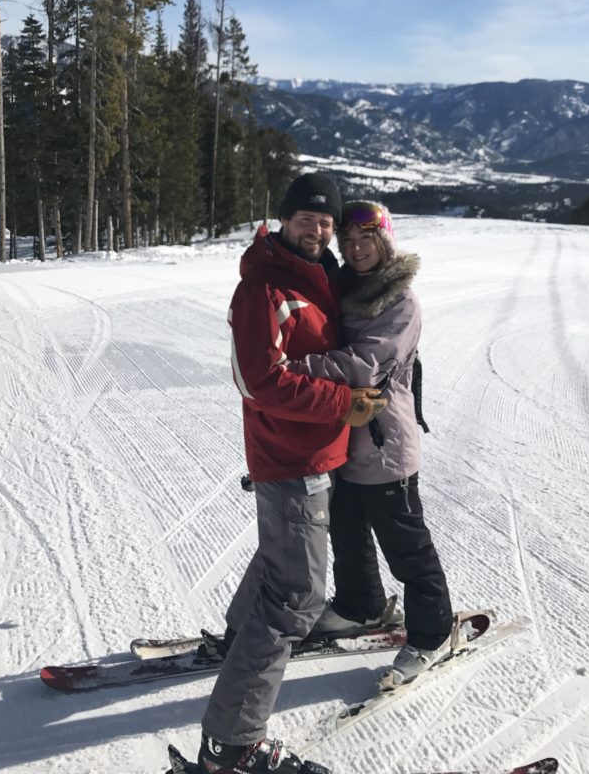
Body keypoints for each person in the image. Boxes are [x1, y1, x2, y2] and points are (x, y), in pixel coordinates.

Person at [197, 174, 386, 774]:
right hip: (289, 458)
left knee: (279, 561)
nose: (319, 227)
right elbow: (260, 380)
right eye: (307, 217)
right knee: (298, 598)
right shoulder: (263, 288)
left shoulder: (319, 277)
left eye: (327, 220)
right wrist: (342, 404)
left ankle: (237, 639)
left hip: (313, 456)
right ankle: (233, 743)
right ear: (283, 219)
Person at [286, 201, 454, 686]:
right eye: (349, 241)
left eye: (367, 239)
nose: (357, 249)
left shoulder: (401, 302)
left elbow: (362, 364)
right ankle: (362, 606)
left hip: (385, 446)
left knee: (406, 546)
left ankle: (432, 632)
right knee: (348, 533)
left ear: (385, 241)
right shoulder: (345, 289)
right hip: (343, 438)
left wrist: (293, 371)